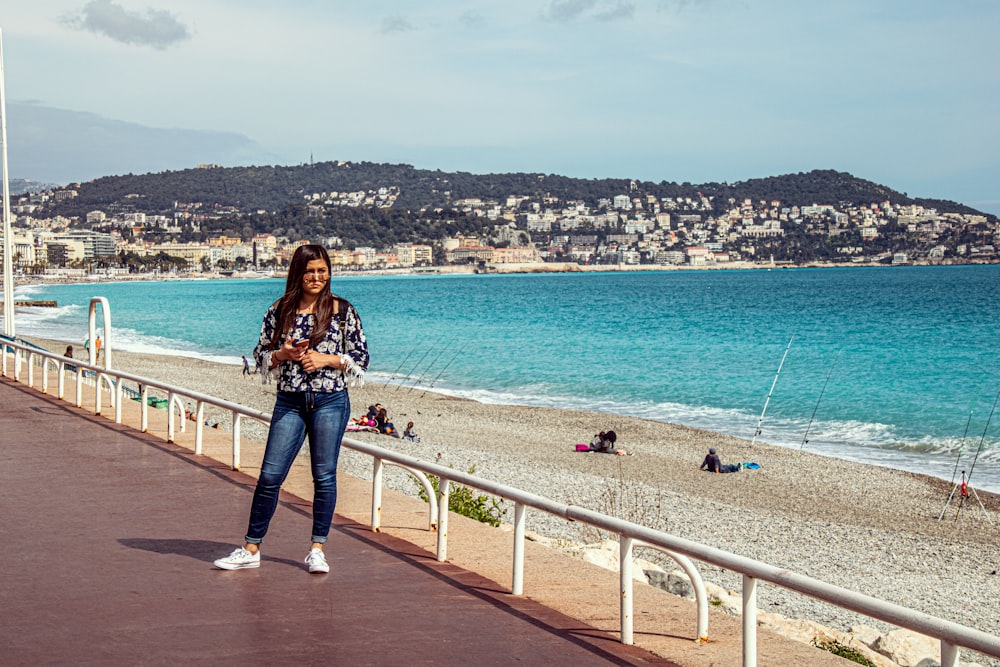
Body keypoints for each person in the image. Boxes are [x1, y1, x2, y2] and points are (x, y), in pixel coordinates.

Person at [214, 244, 369, 574]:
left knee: (324, 476)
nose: (316, 277)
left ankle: (317, 549)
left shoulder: (343, 311)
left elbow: (362, 359)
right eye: (310, 271)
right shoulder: (280, 310)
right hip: (290, 402)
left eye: (322, 270)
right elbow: (260, 357)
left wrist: (329, 359)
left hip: (331, 401)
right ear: (298, 273)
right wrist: (282, 354)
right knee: (270, 476)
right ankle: (251, 548)